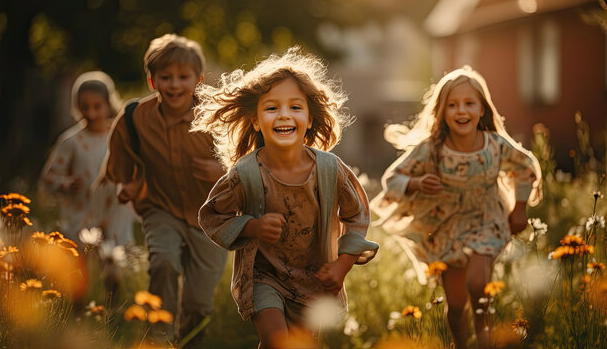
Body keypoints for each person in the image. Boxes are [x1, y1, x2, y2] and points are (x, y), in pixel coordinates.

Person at [193, 47, 379, 348]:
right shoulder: (246, 173)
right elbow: (212, 216)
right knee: (276, 339)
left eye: (295, 107)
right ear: (255, 120)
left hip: (314, 279)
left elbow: (357, 215)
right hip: (263, 276)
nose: (284, 115)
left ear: (309, 118)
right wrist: (252, 226)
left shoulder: (329, 169)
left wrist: (342, 265)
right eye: (271, 108)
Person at [371, 66, 542, 348]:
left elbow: (525, 167)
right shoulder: (433, 148)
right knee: (455, 301)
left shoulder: (495, 146)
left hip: (488, 221)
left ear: (482, 109)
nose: (461, 111)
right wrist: (416, 184)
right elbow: (392, 178)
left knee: (478, 284)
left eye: (468, 103)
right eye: (452, 105)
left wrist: (520, 207)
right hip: (445, 227)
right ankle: (461, 343)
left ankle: (485, 339)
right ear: (442, 111)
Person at [102, 34, 227, 347]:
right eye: (165, 77)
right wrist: (128, 184)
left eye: (183, 77)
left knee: (199, 304)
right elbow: (121, 160)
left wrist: (222, 170)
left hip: (212, 219)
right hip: (161, 209)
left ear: (197, 80)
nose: (174, 85)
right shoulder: (134, 118)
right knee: (163, 263)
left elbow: (248, 160)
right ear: (152, 81)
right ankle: (159, 339)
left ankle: (190, 342)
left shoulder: (216, 118)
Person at [40, 71, 136, 246]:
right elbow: (48, 177)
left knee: (115, 264)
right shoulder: (71, 142)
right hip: (82, 218)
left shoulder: (122, 137)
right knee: (85, 267)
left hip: (115, 216)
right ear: (77, 106)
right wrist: (66, 183)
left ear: (108, 104)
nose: (91, 113)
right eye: (85, 107)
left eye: (97, 106)